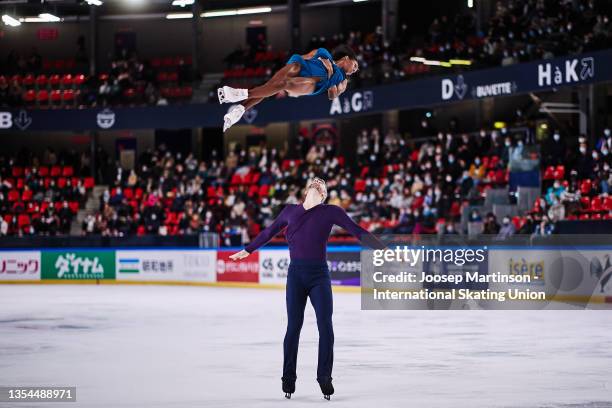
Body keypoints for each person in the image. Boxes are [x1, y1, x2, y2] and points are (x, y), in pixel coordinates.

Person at [229, 177, 384, 400]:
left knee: (326, 326)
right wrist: (248, 249)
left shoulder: (331, 211)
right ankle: (288, 379)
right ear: (306, 189)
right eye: (314, 181)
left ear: (323, 195)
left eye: (321, 183)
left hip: (319, 276)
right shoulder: (290, 211)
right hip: (296, 276)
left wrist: (384, 249)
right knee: (293, 327)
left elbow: (357, 230)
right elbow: (268, 232)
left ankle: (324, 378)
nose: (316, 182)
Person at [218, 45, 359, 131]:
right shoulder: (324, 53)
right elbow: (304, 57)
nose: (355, 70)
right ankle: (239, 110)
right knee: (271, 85)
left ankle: (240, 94)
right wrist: (323, 60)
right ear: (347, 58)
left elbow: (332, 95)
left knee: (283, 84)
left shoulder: (343, 80)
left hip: (314, 83)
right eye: (355, 65)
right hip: (303, 66)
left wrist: (333, 85)